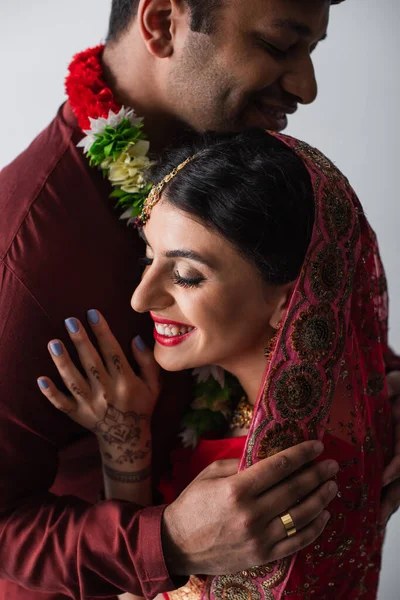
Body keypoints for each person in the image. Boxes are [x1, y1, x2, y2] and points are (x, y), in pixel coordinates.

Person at [1, 0, 400, 598]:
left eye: (311, 50)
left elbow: (313, 302)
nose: (306, 87)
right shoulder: (28, 251)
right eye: (277, 44)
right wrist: (167, 544)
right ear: (162, 22)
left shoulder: (241, 154)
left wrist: (383, 401)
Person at [39, 129, 394, 599]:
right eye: (149, 259)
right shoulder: (356, 402)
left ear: (289, 302)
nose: (141, 297)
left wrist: (124, 451)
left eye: (186, 275)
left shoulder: (262, 494)